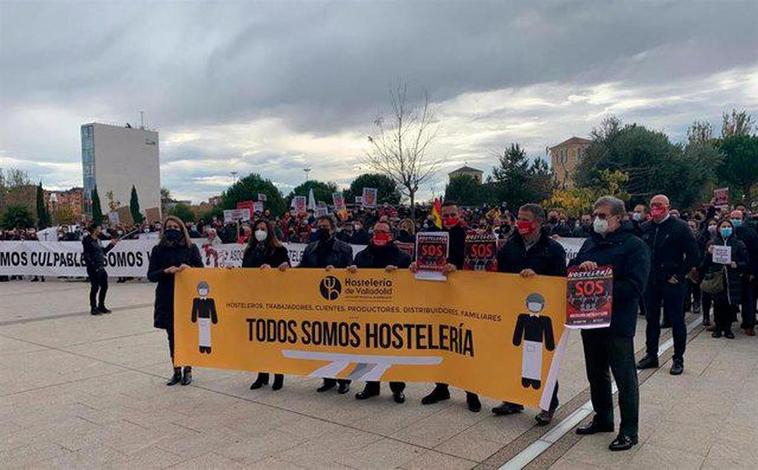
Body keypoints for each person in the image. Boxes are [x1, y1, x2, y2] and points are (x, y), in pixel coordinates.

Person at [570, 196, 650, 451]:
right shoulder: (590, 242)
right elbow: (571, 271)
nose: (597, 220)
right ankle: (603, 418)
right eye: (595, 214)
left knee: (624, 377)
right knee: (596, 374)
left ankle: (629, 431)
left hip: (617, 322)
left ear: (619, 217)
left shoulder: (634, 245)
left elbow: (635, 286)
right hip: (589, 319)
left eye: (603, 216)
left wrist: (602, 282)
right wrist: (582, 268)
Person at [491, 203, 567, 425]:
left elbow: (560, 281)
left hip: (542, 311)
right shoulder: (510, 246)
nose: (519, 223)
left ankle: (548, 403)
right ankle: (513, 400)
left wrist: (538, 278)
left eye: (525, 219)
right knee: (512, 356)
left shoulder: (552, 249)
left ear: (539, 222)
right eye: (518, 219)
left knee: (543, 361)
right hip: (512, 309)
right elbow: (501, 276)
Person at [415, 201, 482, 412]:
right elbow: (422, 260)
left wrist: (458, 268)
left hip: (463, 298)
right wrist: (416, 265)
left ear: (460, 214)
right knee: (440, 342)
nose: (449, 217)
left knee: (465, 343)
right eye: (446, 214)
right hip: (439, 298)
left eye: (453, 214)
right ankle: (441, 387)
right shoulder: (431, 235)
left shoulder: (471, 237)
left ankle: (471, 391)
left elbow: (479, 265)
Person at [348, 221, 411, 403]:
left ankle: (397, 388)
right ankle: (371, 386)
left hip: (393, 315)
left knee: (393, 352)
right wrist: (352, 271)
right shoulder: (361, 256)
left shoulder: (402, 258)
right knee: (368, 350)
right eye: (376, 232)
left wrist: (400, 274)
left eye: (383, 232)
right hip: (367, 313)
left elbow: (410, 286)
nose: (379, 235)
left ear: (391, 235)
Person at [637, 194, 699, 376]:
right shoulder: (645, 228)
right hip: (651, 281)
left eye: (659, 205)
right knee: (651, 319)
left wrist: (679, 274)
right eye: (653, 205)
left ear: (667, 206)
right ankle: (651, 355)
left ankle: (678, 359)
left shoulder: (680, 227)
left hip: (672, 281)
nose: (656, 208)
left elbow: (694, 255)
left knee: (677, 320)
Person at [146, 216, 203, 386]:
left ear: (182, 229)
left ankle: (188, 369)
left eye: (176, 227)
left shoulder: (191, 248)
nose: (172, 229)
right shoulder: (158, 250)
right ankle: (176, 369)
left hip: (186, 298)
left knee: (186, 335)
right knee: (172, 336)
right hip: (166, 297)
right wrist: (165, 271)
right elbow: (151, 275)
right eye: (169, 227)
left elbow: (202, 272)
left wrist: (189, 269)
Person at [300, 215, 354, 394]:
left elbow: (350, 273)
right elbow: (301, 271)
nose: (321, 229)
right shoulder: (310, 248)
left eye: (325, 226)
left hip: (337, 302)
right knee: (323, 342)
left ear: (333, 228)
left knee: (340, 342)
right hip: (317, 302)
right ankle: (328, 378)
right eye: (319, 226)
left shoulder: (345, 248)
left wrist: (337, 272)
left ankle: (344, 379)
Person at [243, 219, 291, 390]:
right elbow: (244, 272)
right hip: (255, 300)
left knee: (275, 339)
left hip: (274, 300)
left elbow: (287, 271)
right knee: (259, 340)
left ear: (269, 231)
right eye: (257, 229)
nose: (260, 232)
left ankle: (279, 375)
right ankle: (262, 375)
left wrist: (273, 269)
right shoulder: (250, 251)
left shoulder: (279, 250)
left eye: (263, 229)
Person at [700, 219, 750, 339]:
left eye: (728, 226)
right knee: (718, 304)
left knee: (730, 305)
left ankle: (727, 328)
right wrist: (709, 253)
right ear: (718, 229)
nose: (726, 229)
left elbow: (746, 262)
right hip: (717, 278)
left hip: (733, 279)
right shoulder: (712, 243)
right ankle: (718, 327)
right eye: (723, 226)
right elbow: (704, 264)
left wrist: (737, 264)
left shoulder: (738, 243)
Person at [730, 209, 758, 336]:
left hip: (747, 270)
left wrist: (753, 271)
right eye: (733, 218)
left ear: (743, 219)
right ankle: (725, 322)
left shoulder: (751, 233)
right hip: (731, 270)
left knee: (749, 299)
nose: (735, 220)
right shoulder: (728, 232)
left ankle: (749, 324)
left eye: (737, 218)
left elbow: (755, 254)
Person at [82, 222, 118, 315]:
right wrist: (93, 265)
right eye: (99, 228)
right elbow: (86, 255)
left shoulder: (98, 240)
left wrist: (111, 245)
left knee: (104, 286)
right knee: (95, 287)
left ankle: (101, 305)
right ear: (94, 230)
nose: (101, 230)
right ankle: (93, 307)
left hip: (101, 266)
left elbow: (103, 251)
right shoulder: (87, 240)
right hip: (93, 267)